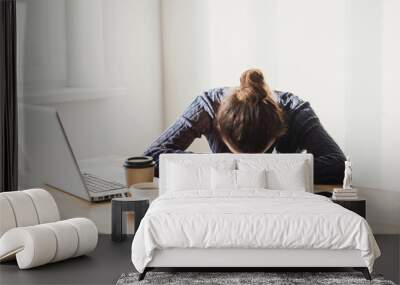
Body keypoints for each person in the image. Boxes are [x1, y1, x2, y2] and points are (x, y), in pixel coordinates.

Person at [144, 69, 345, 184]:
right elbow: (150, 157)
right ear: (219, 126)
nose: (247, 161)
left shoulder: (295, 111)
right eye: (238, 154)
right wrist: (228, 166)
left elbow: (339, 165)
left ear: (278, 130)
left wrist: (244, 168)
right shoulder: (207, 107)